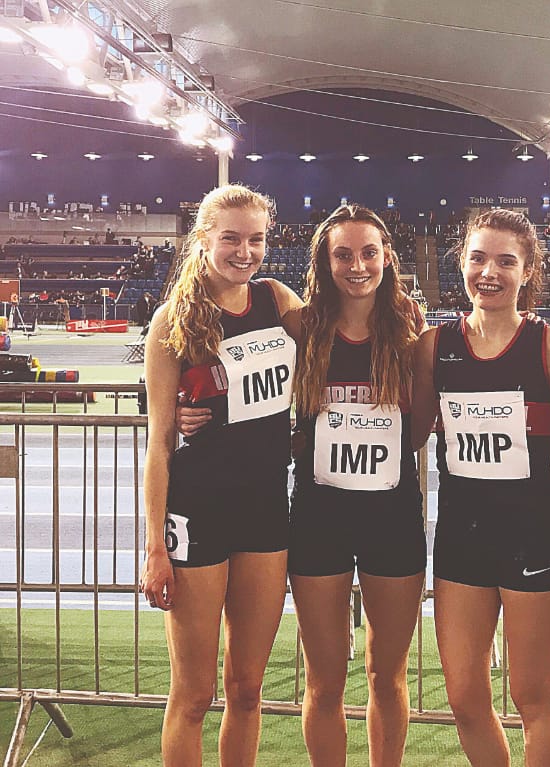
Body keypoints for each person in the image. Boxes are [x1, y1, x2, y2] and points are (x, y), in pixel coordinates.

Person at [412, 209, 550, 767]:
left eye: (505, 261)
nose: (489, 272)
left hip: (533, 535)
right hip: (461, 539)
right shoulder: (432, 347)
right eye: (478, 258)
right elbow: (407, 430)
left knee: (533, 696)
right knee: (464, 697)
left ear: (528, 268)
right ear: (461, 263)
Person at [139, 184, 301, 767]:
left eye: (255, 239)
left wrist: (394, 310)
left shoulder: (277, 300)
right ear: (203, 239)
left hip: (265, 513)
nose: (244, 251)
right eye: (230, 238)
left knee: (248, 689)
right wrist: (155, 546)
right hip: (198, 511)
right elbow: (159, 442)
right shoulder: (173, 321)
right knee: (194, 693)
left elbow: (341, 343)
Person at [288, 205, 426, 767]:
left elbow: (422, 423)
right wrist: (187, 406)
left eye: (369, 252)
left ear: (386, 257)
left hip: (392, 519)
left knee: (385, 675)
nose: (357, 265)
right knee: (324, 680)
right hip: (318, 518)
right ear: (325, 259)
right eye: (343, 253)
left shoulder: (411, 328)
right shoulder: (300, 326)